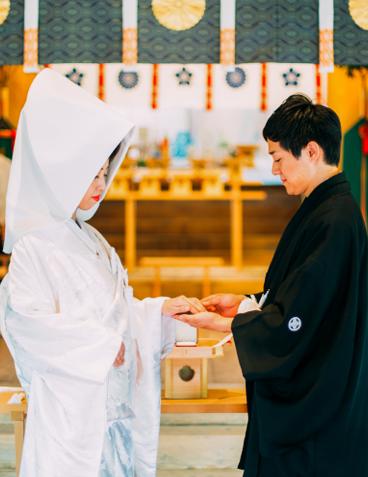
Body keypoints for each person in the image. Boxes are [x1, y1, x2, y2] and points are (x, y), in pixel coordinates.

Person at [0, 68, 203, 477]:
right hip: (70, 414)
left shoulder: (91, 239)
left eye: (102, 175)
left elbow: (118, 311)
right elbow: (25, 324)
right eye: (89, 176)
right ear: (60, 178)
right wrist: (98, 347)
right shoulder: (33, 248)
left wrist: (158, 313)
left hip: (112, 410)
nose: (100, 185)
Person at [176, 94, 368, 477]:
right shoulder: (324, 208)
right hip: (323, 390)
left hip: (319, 407)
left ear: (311, 151)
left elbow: (298, 320)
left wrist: (229, 325)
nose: (274, 168)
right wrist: (246, 305)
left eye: (279, 157)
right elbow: (296, 295)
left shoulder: (334, 220)